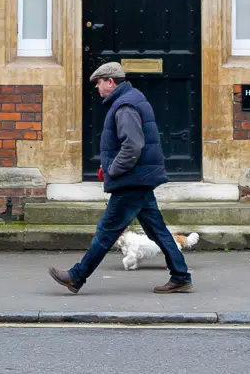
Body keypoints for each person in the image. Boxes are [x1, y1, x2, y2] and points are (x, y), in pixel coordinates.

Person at [49, 62, 193, 294]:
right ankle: (181, 276)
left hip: (131, 180)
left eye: (98, 83)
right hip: (138, 178)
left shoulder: (125, 106)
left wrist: (113, 170)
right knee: (157, 230)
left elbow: (132, 146)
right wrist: (108, 166)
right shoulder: (130, 100)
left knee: (107, 231)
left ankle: (76, 276)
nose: (97, 88)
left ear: (110, 81)